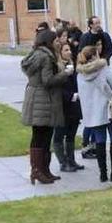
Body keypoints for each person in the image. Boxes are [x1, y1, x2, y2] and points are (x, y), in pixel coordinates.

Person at [21, 29, 70, 184]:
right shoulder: (46, 57)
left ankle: (43, 170)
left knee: (41, 135)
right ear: (48, 42)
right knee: (42, 136)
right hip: (43, 100)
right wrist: (65, 74)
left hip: (37, 99)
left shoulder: (37, 54)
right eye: (55, 40)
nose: (58, 42)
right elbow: (47, 80)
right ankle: (38, 171)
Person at [77, 45, 112, 183]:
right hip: (109, 108)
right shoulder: (103, 69)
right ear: (94, 56)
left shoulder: (80, 74)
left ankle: (103, 174)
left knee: (99, 141)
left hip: (93, 112)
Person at [52, 42, 84, 173]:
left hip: (74, 105)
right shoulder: (57, 67)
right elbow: (56, 86)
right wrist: (71, 95)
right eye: (66, 50)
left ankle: (71, 160)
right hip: (62, 105)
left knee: (71, 134)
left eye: (69, 49)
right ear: (59, 53)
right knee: (59, 134)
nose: (69, 52)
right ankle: (63, 162)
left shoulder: (73, 65)